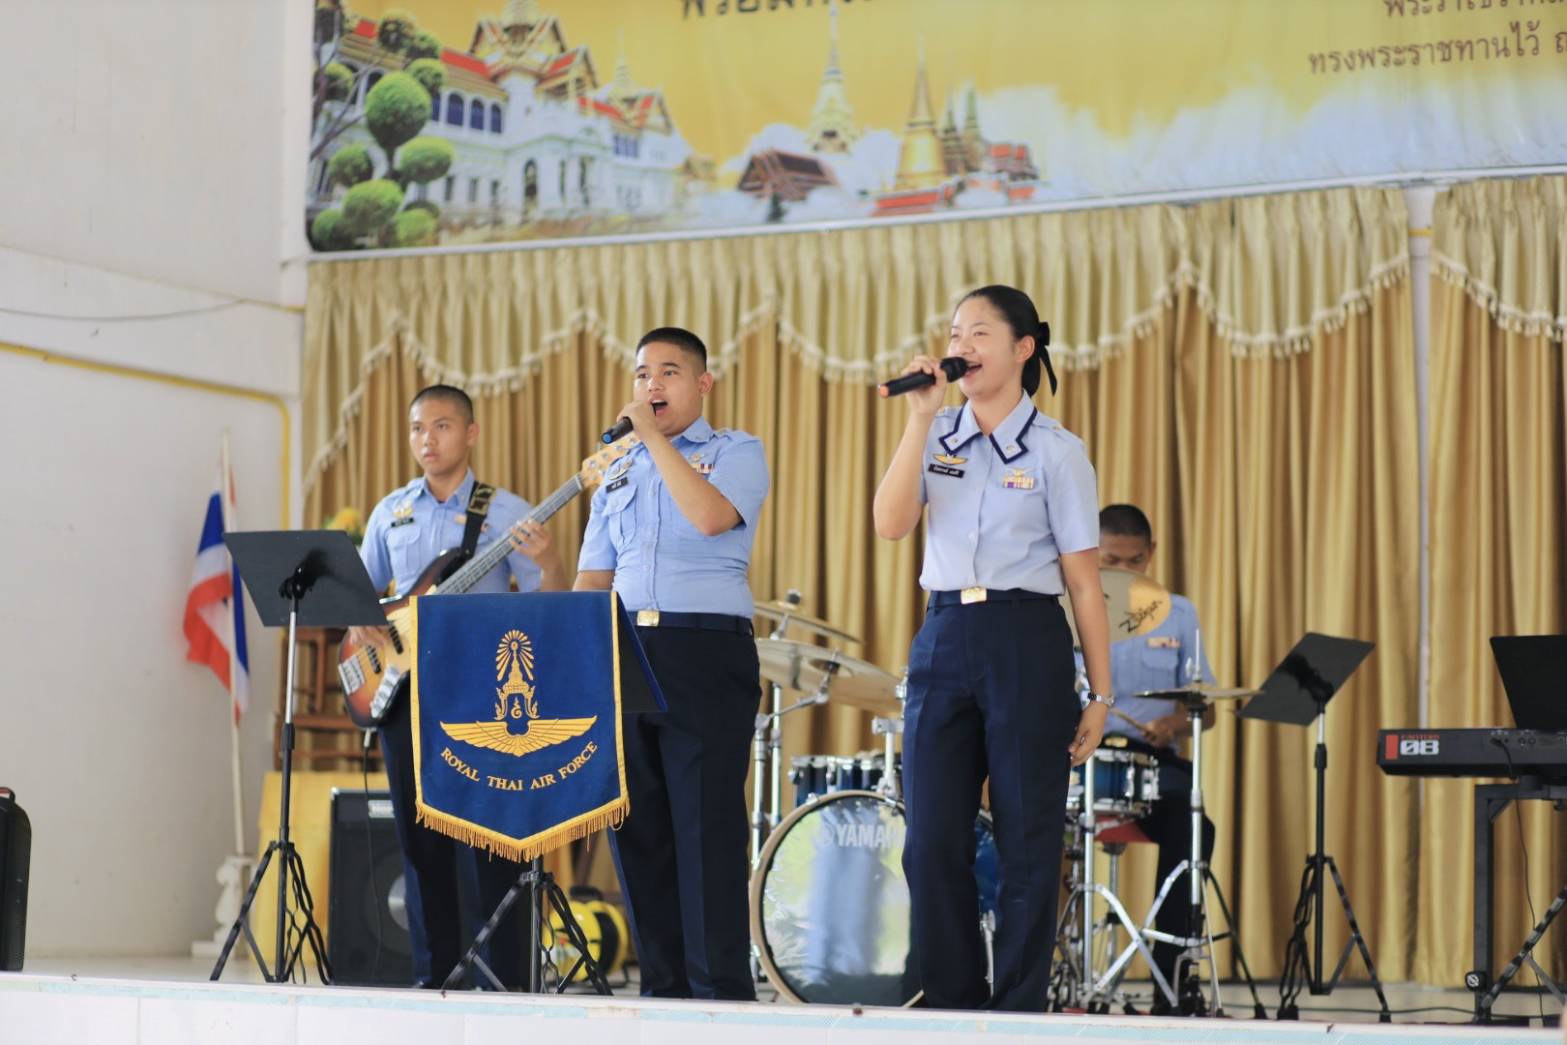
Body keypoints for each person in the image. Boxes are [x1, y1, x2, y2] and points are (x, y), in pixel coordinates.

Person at [872, 284, 1113, 1011]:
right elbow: (890, 524)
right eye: (954, 333)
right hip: (943, 634)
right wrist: (919, 419)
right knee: (928, 843)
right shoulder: (936, 432)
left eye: (978, 332)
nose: (961, 346)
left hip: (1025, 638)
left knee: (1027, 840)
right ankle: (953, 1003)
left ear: (1022, 348)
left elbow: (1084, 584)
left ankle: (1016, 1011)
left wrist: (1100, 695)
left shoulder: (1057, 452)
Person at [574, 327, 769, 1001]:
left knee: (705, 828)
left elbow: (711, 517)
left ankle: (720, 997)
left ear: (702, 383)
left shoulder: (735, 450)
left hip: (704, 650)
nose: (651, 384)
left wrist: (652, 440)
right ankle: (662, 993)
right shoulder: (616, 469)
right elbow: (593, 578)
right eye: (640, 374)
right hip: (626, 649)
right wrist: (578, 664)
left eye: (668, 371)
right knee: (638, 831)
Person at [352, 383, 567, 988]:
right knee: (419, 842)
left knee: (490, 839)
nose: (428, 439)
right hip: (403, 690)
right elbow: (361, 594)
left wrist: (550, 561)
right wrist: (359, 617)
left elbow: (550, 602)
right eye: (418, 428)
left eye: (442, 426)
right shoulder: (390, 511)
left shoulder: (509, 512)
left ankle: (503, 980)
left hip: (481, 695)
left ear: (471, 434)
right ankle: (434, 977)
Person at [1096, 502, 1215, 1013]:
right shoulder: (1067, 609)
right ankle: (1037, 972)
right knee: (1025, 825)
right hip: (1082, 759)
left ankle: (1171, 979)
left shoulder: (1179, 614)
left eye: (1135, 561)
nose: (1125, 571)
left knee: (1195, 827)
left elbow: (1206, 706)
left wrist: (1176, 722)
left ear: (1152, 555)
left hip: (1151, 765)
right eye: (1111, 561)